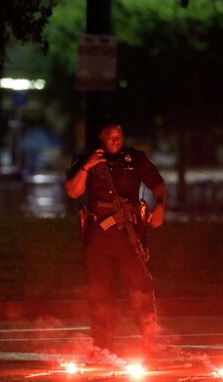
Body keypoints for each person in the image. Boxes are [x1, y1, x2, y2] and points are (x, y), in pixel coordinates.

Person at [65, 124, 167, 356]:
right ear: (101, 136)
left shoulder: (135, 158)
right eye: (110, 136)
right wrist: (86, 167)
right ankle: (103, 347)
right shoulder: (86, 159)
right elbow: (72, 191)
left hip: (129, 235)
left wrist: (160, 206)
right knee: (99, 292)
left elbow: (158, 184)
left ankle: (149, 339)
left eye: (119, 136)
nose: (115, 140)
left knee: (140, 287)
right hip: (98, 236)